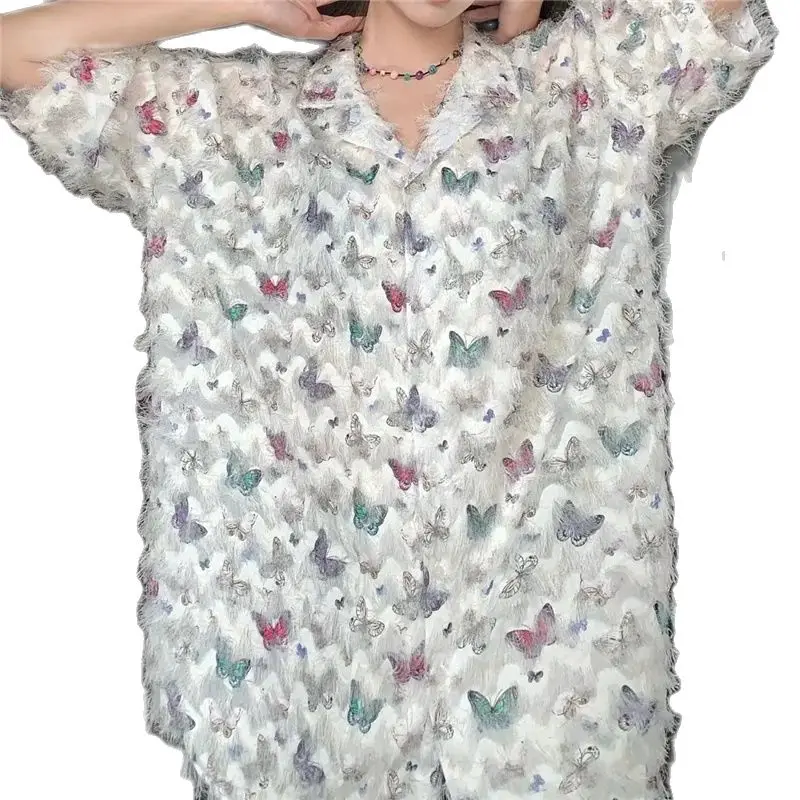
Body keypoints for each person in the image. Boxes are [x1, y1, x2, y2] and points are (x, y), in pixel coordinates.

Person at [0, 1, 778, 798]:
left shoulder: (588, 87)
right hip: (306, 682)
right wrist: (245, 2)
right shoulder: (228, 120)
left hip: (543, 682)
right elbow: (11, 52)